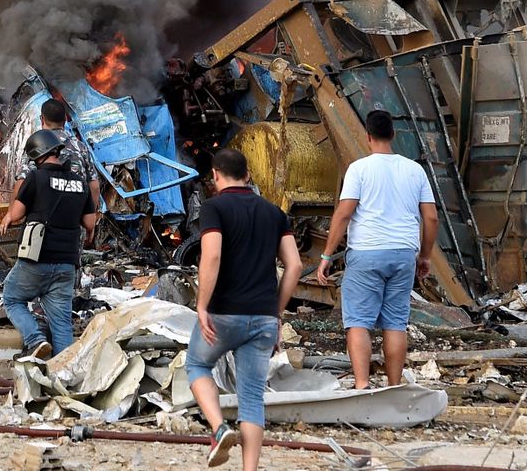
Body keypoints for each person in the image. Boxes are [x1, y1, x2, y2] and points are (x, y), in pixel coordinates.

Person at [187, 148, 302, 471]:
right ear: (248, 175)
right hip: (264, 316)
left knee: (197, 365)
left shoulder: (214, 208)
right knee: (252, 397)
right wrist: (276, 313)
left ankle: (219, 428)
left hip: (224, 312)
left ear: (215, 176)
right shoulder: (274, 213)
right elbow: (294, 266)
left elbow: (211, 256)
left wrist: (201, 305)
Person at [312, 109, 438, 389]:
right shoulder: (414, 170)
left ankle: (362, 385)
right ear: (393, 135)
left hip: (366, 253)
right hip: (404, 254)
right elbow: (431, 217)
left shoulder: (359, 169)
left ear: (368, 137)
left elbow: (344, 214)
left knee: (358, 322)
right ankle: (393, 387)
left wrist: (326, 256)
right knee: (395, 323)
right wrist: (425, 256)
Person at [0, 128, 97, 358]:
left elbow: (18, 213)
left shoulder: (36, 177)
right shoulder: (79, 182)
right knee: (61, 320)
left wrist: (8, 215)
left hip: (36, 259)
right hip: (67, 263)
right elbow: (90, 222)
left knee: (12, 298)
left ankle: (35, 340)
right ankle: (65, 372)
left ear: (38, 155)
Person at [11, 98, 100, 211]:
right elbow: (94, 186)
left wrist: (10, 213)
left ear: (42, 119)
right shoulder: (80, 147)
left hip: (44, 219)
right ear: (65, 119)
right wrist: (92, 215)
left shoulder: (37, 144)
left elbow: (22, 180)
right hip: (75, 219)